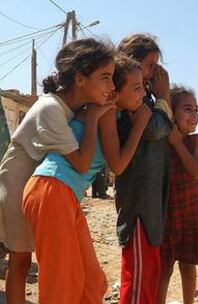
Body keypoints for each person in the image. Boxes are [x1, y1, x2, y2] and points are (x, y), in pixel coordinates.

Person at [22, 54, 151, 304]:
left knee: (92, 281)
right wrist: (140, 126)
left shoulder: (107, 112)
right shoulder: (105, 113)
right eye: (135, 88)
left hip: (63, 193)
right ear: (116, 91)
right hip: (51, 189)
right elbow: (118, 165)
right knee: (61, 287)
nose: (142, 94)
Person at [0, 38, 115, 304]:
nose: (111, 86)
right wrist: (95, 118)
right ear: (80, 78)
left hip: (35, 182)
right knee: (20, 260)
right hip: (18, 183)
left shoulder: (70, 108)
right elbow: (81, 163)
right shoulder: (51, 109)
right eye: (105, 77)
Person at [115, 33, 173, 304]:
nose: (155, 72)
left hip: (150, 205)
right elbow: (155, 128)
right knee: (137, 281)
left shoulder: (144, 97)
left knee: (148, 276)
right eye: (151, 65)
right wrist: (164, 97)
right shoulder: (133, 98)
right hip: (138, 206)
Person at [158, 85, 198, 304]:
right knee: (164, 270)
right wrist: (170, 141)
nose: (194, 115)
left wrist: (177, 143)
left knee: (188, 266)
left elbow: (196, 172)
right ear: (172, 112)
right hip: (168, 214)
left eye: (196, 109)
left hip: (191, 212)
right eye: (187, 109)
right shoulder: (160, 141)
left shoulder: (196, 142)